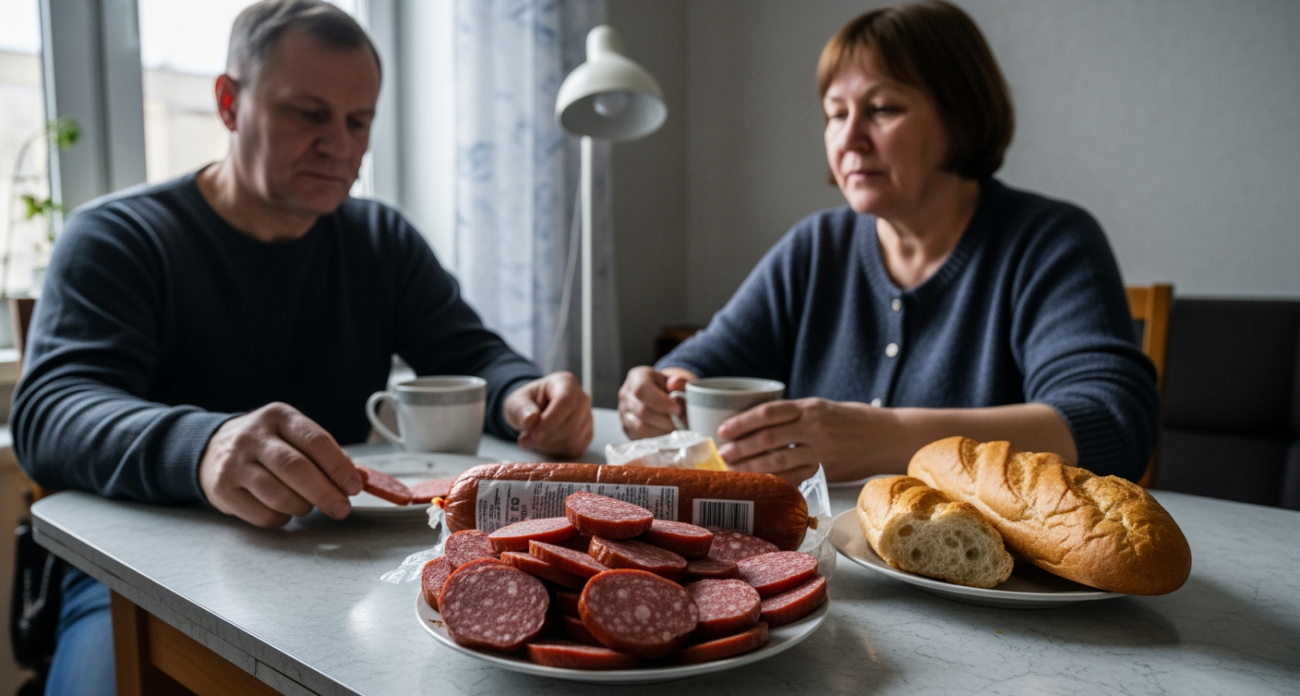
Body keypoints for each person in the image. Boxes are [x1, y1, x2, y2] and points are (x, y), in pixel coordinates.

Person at [11, 2, 592, 693]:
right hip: (135, 575)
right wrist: (206, 447)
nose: (339, 146)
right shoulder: (120, 237)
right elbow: (50, 412)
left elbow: (471, 357)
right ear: (229, 103)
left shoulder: (379, 239)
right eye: (307, 114)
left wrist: (525, 394)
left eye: (358, 121)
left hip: (346, 563)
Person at [618, 0, 1158, 486]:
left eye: (881, 109)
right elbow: (705, 362)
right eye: (835, 114)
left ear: (960, 117)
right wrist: (663, 390)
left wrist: (892, 436)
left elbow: (1112, 424)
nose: (849, 138)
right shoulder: (815, 247)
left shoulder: (1049, 242)